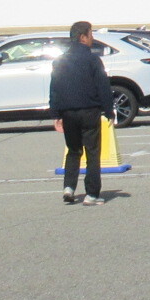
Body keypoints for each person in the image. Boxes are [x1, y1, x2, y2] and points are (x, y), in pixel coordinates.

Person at [49, 21, 112, 205]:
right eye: (91, 34)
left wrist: (56, 114)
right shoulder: (92, 60)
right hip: (89, 110)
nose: (92, 38)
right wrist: (108, 110)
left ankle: (68, 188)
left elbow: (55, 88)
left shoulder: (60, 61)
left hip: (68, 112)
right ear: (83, 37)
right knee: (92, 152)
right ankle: (91, 194)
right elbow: (103, 86)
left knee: (73, 150)